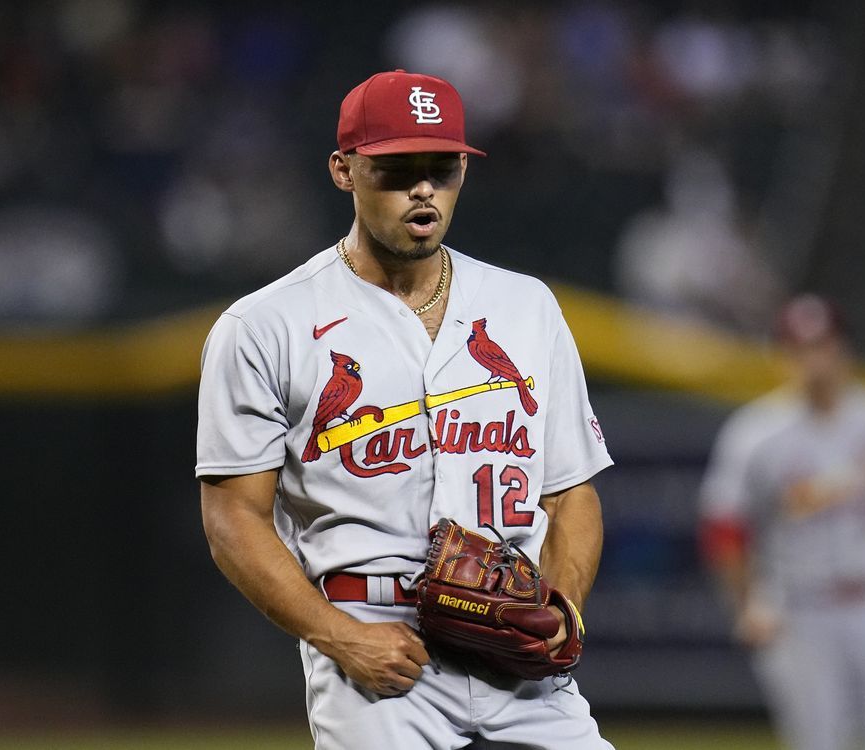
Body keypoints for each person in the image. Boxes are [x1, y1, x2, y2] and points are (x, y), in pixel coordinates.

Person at [195, 69, 615, 749]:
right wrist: (340, 638)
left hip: (516, 639)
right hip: (375, 643)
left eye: (441, 168)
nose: (423, 188)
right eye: (396, 169)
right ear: (343, 171)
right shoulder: (265, 326)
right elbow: (232, 518)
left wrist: (560, 610)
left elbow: (572, 493)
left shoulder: (526, 305)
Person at [699, 293, 865, 750]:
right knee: (821, 739)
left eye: (822, 345)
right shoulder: (756, 433)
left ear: (844, 349)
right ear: (782, 356)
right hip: (800, 609)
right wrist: (745, 603)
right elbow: (724, 527)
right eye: (799, 348)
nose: (814, 360)